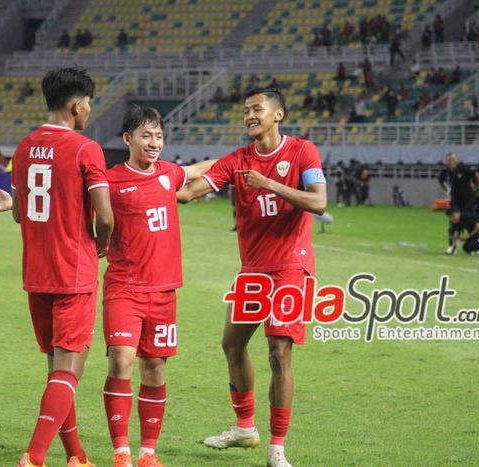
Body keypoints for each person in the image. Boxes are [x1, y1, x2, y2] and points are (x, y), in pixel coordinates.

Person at [176, 87, 328, 467]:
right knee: (231, 345)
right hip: (253, 272)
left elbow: (319, 201)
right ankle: (245, 428)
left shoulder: (302, 152)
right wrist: (162, 175)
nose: (249, 115)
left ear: (279, 114)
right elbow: (186, 194)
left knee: (279, 353)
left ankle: (277, 449)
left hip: (291, 269)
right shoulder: (237, 161)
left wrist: (271, 184)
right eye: (245, 111)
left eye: (257, 109)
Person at [0, 67, 114, 467]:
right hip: (73, 273)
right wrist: (103, 244)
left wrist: (11, 205)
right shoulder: (85, 149)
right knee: (69, 371)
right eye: (89, 103)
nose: (89, 110)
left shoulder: (23, 148)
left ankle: (76, 456)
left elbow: (21, 215)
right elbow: (106, 218)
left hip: (36, 274)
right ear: (77, 105)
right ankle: (34, 458)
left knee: (56, 370)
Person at [102, 106, 214, 467]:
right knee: (122, 360)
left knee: (156, 369)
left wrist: (240, 158)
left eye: (159, 136)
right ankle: (121, 451)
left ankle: (148, 452)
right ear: (128, 139)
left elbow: (196, 172)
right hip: (124, 287)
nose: (154, 143)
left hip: (164, 292)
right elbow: (70, 201)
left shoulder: (168, 173)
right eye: (146, 136)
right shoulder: (111, 180)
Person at [439, 153, 479, 254]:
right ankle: (452, 246)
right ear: (446, 161)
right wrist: (447, 190)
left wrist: (478, 188)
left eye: (453, 159)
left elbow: (476, 175)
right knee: (453, 223)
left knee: (470, 221)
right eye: (449, 160)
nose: (452, 161)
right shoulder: (445, 172)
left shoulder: (462, 168)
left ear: (456, 160)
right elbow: (441, 181)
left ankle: (473, 247)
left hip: (467, 199)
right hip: (455, 200)